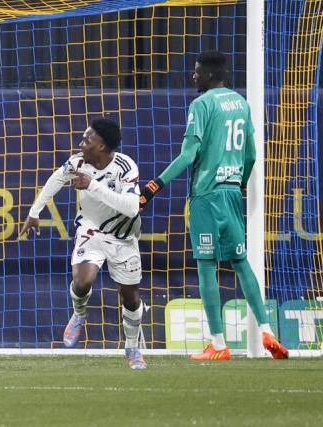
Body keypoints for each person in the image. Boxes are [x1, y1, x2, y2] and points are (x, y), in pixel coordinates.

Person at [139, 50, 289, 361]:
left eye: (197, 71)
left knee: (206, 266)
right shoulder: (241, 103)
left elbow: (187, 155)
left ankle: (219, 344)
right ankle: (267, 330)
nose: (193, 75)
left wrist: (152, 188)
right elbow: (250, 155)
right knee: (241, 262)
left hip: (206, 195)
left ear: (209, 73)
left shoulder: (202, 104)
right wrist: (238, 182)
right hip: (232, 191)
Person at [20, 117, 147, 370]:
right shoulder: (78, 162)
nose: (81, 144)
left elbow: (132, 208)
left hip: (122, 237)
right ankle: (79, 314)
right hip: (90, 230)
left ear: (102, 146)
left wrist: (93, 185)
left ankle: (132, 348)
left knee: (131, 299)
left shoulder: (125, 166)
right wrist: (35, 211)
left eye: (87, 140)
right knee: (82, 282)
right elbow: (56, 179)